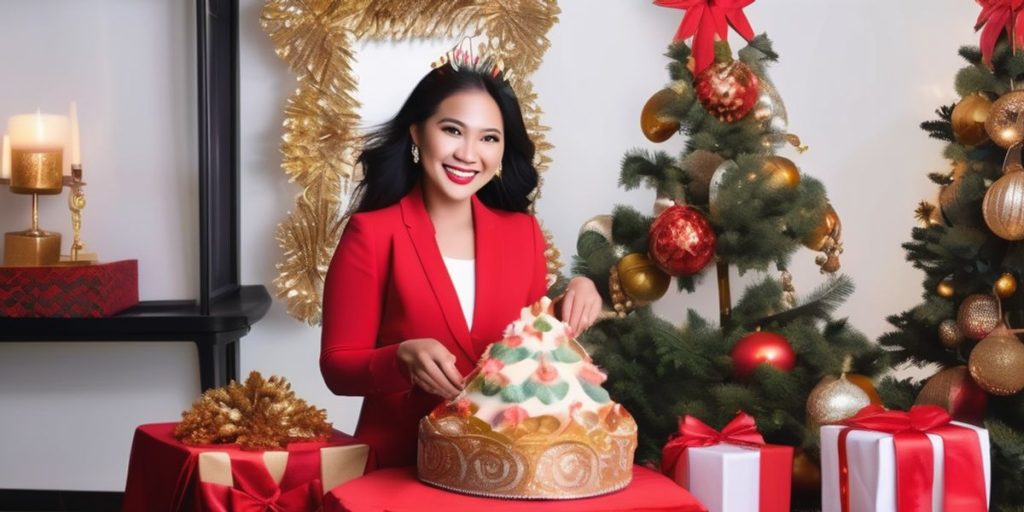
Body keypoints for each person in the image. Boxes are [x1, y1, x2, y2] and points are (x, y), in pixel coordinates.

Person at [320, 44, 603, 468]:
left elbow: (528, 347)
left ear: (503, 151)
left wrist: (574, 295)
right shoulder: (373, 234)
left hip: (503, 467)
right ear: (417, 133)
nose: (469, 154)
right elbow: (337, 368)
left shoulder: (522, 234)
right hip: (399, 467)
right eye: (452, 130)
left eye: (489, 138)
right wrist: (399, 358)